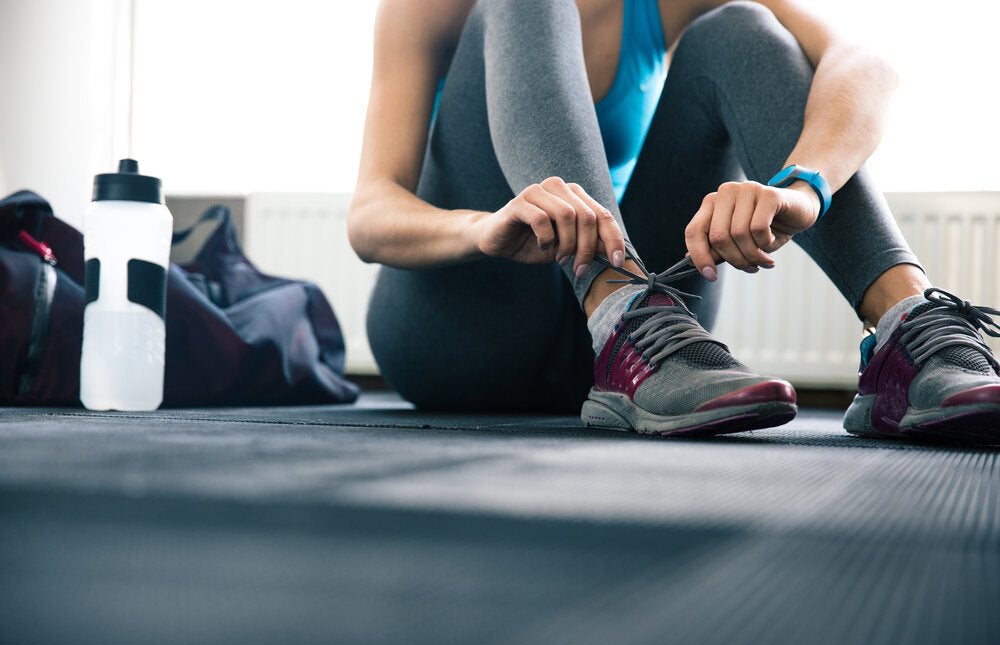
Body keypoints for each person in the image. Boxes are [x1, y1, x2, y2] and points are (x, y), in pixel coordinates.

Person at [348, 0, 1000, 441]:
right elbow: (370, 213)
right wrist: (481, 229)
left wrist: (803, 189)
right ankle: (620, 311)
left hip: (650, 357)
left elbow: (865, 63)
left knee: (740, 28)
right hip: (459, 326)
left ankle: (906, 329)